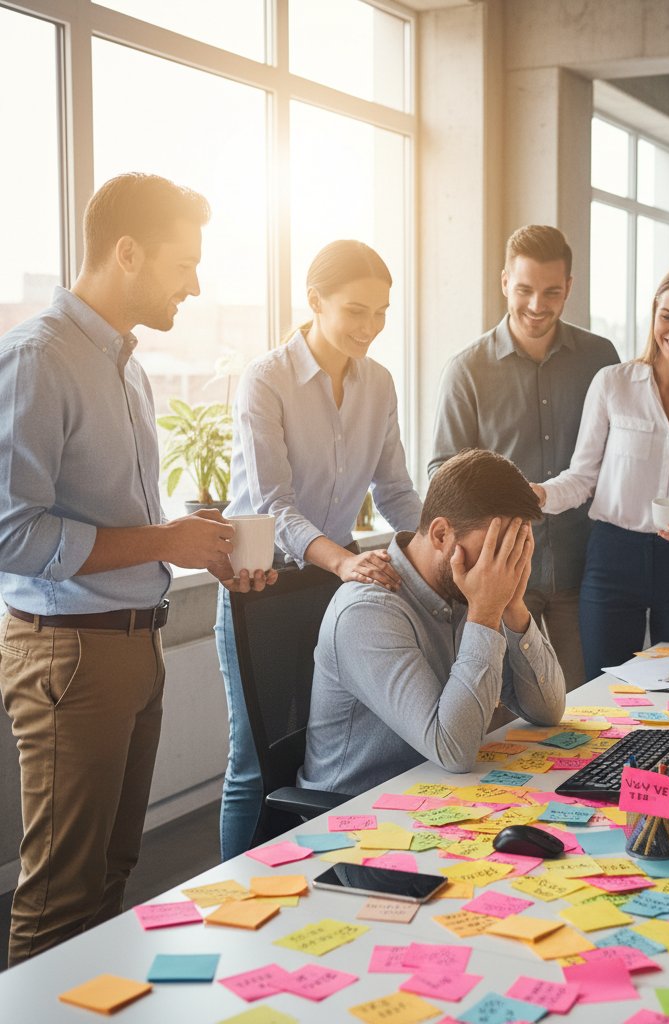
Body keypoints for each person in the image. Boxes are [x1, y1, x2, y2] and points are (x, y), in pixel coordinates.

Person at [0, 173, 275, 965]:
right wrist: (163, 541)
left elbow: (121, 520)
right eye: (181, 263)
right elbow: (13, 533)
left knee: (111, 882)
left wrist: (199, 543)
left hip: (129, 646)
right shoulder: (37, 359)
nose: (194, 283)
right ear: (126, 253)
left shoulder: (126, 366)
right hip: (69, 655)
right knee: (59, 897)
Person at [216, 239, 422, 859]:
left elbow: (395, 491)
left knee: (326, 755)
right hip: (264, 583)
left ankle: (310, 888)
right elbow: (274, 505)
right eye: (356, 310)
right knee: (255, 761)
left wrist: (444, 544)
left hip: (336, 585)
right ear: (315, 302)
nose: (371, 327)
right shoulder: (267, 380)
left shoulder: (378, 383)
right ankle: (231, 901)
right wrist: (343, 560)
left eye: (382, 312)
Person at [299, 448, 565, 796]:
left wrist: (513, 605)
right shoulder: (368, 611)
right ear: (441, 535)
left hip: (441, 796)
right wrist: (484, 614)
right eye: (494, 549)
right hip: (360, 815)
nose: (501, 566)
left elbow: (547, 711)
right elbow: (454, 750)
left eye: (514, 550)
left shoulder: (469, 586)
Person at [533, 262, 669, 681]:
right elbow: (581, 478)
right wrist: (539, 495)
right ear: (654, 314)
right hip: (612, 558)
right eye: (667, 317)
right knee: (606, 690)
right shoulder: (612, 384)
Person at [430, 225, 618, 691]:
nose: (537, 305)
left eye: (552, 292)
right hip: (502, 573)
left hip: (585, 565)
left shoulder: (601, 358)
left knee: (581, 702)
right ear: (504, 283)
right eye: (524, 290)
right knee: (501, 708)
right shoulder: (466, 370)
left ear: (569, 287)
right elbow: (440, 476)